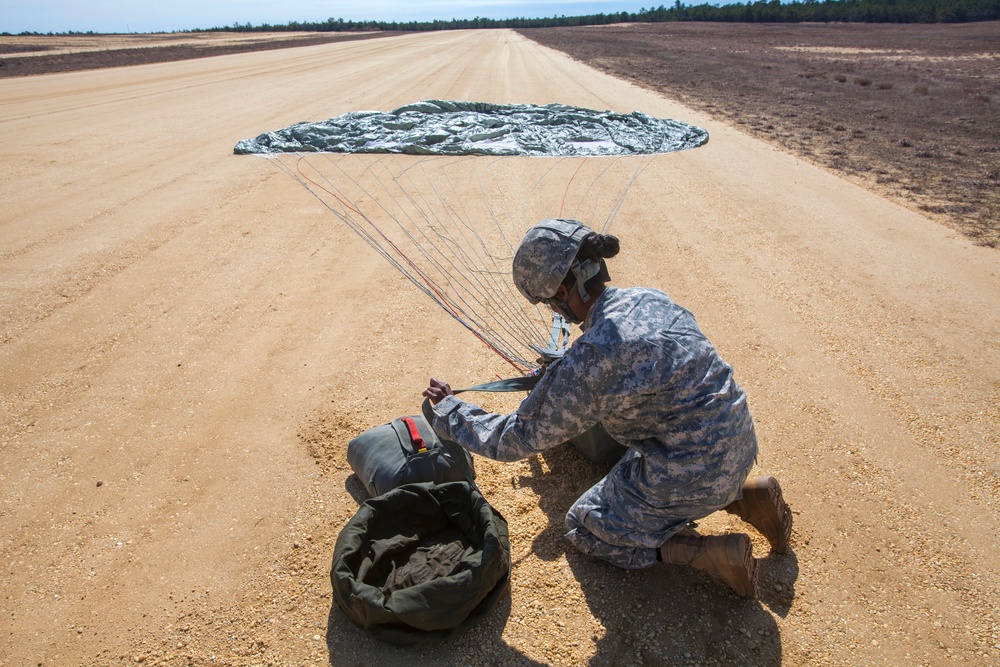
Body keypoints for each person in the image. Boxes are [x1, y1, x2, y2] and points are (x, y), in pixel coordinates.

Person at [423, 219, 791, 599]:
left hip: (692, 470)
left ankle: (709, 552)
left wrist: (451, 410)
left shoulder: (592, 359)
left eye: (550, 302)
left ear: (564, 291)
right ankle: (745, 493)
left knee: (584, 526)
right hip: (739, 440)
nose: (555, 310)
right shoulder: (650, 298)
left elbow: (515, 440)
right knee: (654, 458)